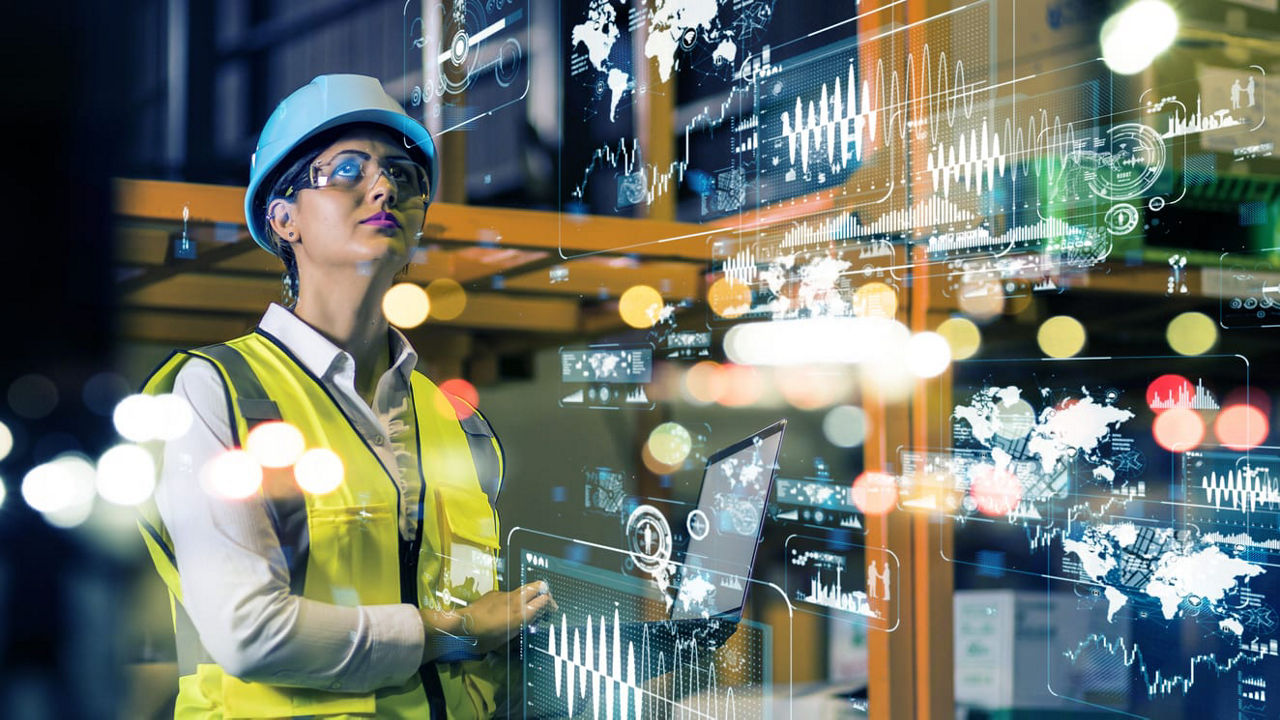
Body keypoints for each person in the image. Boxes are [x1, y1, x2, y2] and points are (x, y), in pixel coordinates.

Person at [136, 74, 554, 719]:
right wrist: (456, 630)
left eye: (403, 177)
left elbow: (478, 618)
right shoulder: (217, 393)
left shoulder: (453, 419)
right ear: (283, 218)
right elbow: (250, 633)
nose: (384, 188)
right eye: (347, 171)